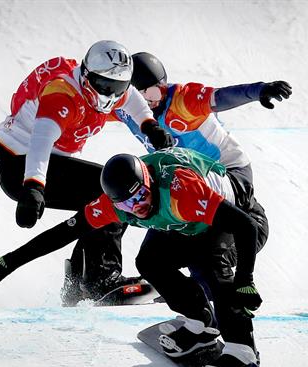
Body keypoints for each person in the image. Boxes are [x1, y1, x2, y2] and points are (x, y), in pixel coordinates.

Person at [0, 147, 264, 367]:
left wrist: (245, 280)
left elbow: (245, 226)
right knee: (149, 262)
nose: (138, 207)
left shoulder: (181, 187)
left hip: (238, 217)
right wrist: (11, 260)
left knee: (212, 264)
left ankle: (243, 351)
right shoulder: (113, 204)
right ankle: (200, 321)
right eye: (127, 204)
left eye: (140, 196)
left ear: (148, 181)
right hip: (185, 222)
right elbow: (63, 233)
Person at [0, 40, 174, 305]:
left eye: (117, 87)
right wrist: (33, 187)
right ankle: (101, 279)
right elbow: (40, 142)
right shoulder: (62, 94)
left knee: (98, 203)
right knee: (112, 193)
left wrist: (150, 126)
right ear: (86, 75)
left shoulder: (111, 88)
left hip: (39, 163)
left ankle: (79, 282)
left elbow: (133, 99)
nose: (110, 94)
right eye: (105, 86)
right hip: (22, 165)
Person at [116, 52, 291, 295]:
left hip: (229, 172)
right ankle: (102, 273)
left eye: (152, 92)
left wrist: (258, 90)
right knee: (120, 192)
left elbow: (221, 97)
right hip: (187, 180)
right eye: (139, 94)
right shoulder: (130, 110)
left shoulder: (182, 100)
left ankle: (219, 292)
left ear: (163, 85)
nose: (148, 100)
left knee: (204, 242)